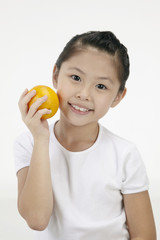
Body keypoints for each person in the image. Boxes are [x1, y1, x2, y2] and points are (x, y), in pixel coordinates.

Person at [14, 31, 156, 240]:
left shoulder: (125, 154)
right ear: (55, 75)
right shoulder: (29, 143)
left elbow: (145, 235)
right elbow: (37, 219)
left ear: (117, 96)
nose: (84, 94)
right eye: (76, 78)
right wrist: (41, 140)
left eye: (101, 86)